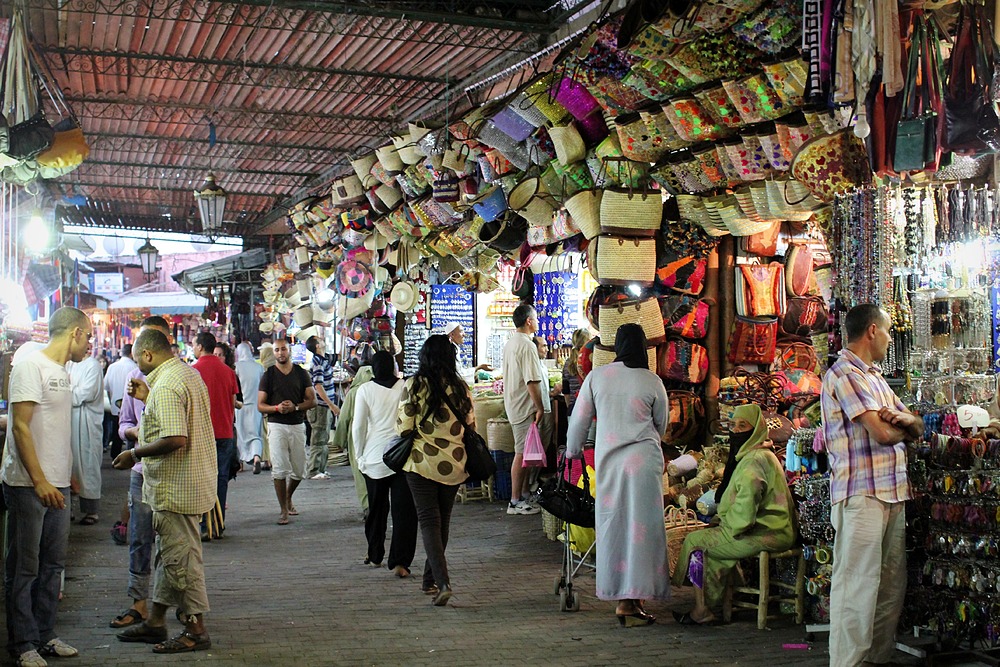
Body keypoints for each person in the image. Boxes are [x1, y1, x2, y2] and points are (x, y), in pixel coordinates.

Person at [819, 304, 922, 666]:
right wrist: (904, 428)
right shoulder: (845, 374)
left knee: (889, 587)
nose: (892, 338)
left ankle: (875, 659)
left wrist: (910, 422)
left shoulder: (876, 378)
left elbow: (918, 427)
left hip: (892, 492)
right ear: (872, 331)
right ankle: (848, 662)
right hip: (861, 494)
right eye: (889, 330)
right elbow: (880, 432)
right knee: (857, 586)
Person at [112, 328, 216, 654]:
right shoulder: (184, 373)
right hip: (188, 482)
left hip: (177, 487)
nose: (136, 368)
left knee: (181, 561)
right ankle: (156, 620)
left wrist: (135, 453)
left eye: (136, 360)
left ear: (147, 355)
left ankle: (195, 630)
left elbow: (175, 438)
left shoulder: (168, 384)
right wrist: (148, 398)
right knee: (169, 557)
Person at [2, 307, 91, 667]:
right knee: (25, 567)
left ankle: (44, 635)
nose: (89, 343)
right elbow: (21, 427)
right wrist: (38, 480)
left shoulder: (63, 372)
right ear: (75, 333)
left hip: (56, 483)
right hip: (28, 484)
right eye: (88, 336)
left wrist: (67, 474)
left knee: (53, 565)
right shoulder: (29, 365)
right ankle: (22, 644)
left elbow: (55, 428)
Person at [566, 323, 669, 626]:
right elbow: (661, 425)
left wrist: (572, 452)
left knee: (614, 525)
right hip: (644, 464)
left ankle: (623, 598)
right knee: (643, 530)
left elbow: (579, 421)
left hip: (609, 465)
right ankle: (632, 599)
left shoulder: (598, 377)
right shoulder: (652, 381)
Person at [670, 404, 797, 625]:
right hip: (770, 529)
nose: (736, 430)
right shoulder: (757, 455)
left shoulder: (754, 461)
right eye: (733, 425)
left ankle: (702, 609)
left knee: (696, 542)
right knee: (709, 545)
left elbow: (745, 512)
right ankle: (706, 607)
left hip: (766, 532)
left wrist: (727, 526)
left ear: (756, 428)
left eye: (743, 425)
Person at [396, 335, 474, 607]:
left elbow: (403, 427)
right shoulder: (461, 387)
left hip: (421, 463)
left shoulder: (415, 385)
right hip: (454, 463)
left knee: (429, 521)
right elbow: (470, 422)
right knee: (443, 521)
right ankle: (430, 579)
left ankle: (443, 582)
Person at [109, 316, 173, 631]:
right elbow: (123, 425)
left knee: (171, 540)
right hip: (141, 468)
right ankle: (139, 603)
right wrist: (134, 432)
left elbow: (174, 432)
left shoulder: (175, 377)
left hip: (172, 470)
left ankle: (170, 604)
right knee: (139, 537)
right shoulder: (134, 376)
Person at [352, 351, 417, 575]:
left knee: (376, 510)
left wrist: (359, 456)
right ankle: (400, 562)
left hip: (374, 458)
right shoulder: (406, 386)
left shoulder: (365, 390)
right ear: (393, 367)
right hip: (403, 457)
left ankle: (375, 555)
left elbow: (358, 427)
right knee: (404, 512)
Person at [257, 337, 316, 525]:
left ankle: (288, 496)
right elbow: (260, 405)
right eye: (277, 350)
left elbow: (312, 400)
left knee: (299, 470)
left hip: (297, 424)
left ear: (289, 350)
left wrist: (296, 407)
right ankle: (283, 509)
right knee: (280, 469)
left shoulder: (301, 373)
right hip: (277, 425)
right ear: (273, 353)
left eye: (283, 349)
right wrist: (277, 408)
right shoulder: (269, 375)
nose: (280, 353)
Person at [501, 305, 552, 515]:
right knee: (521, 453)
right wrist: (540, 407)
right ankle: (514, 502)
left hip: (514, 404)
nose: (538, 322)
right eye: (536, 318)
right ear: (529, 321)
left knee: (523, 452)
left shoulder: (511, 343)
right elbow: (532, 381)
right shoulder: (527, 345)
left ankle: (521, 495)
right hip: (523, 406)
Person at [191, 332, 239, 523]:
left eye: (194, 345)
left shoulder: (192, 371)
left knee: (201, 479)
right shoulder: (228, 372)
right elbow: (234, 401)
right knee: (220, 479)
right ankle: (217, 523)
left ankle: (203, 523)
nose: (193, 348)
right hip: (224, 432)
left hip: (201, 434)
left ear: (201, 347)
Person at [332, 365, 373, 518]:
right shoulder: (378, 389)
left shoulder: (354, 393)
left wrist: (339, 442)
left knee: (359, 473)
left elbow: (344, 419)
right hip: (376, 437)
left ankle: (367, 506)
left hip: (357, 438)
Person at [68, 354, 104, 525]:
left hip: (87, 423)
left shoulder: (93, 366)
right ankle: (68, 508)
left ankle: (91, 510)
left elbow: (86, 393)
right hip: (69, 421)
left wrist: (68, 391)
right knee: (70, 465)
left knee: (88, 465)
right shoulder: (69, 364)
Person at [305, 336, 341, 480]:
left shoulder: (323, 359)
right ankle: (314, 470)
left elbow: (338, 356)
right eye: (320, 339)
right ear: (317, 345)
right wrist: (331, 405)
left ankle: (321, 468)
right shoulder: (318, 362)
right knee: (318, 438)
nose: (323, 339)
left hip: (324, 406)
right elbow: (318, 386)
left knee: (323, 438)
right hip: (321, 406)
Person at [234, 342, 264, 474]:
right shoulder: (259, 367)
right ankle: (256, 458)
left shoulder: (237, 367)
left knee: (240, 435)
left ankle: (240, 463)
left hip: (240, 406)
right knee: (255, 435)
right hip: (255, 406)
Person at [104, 344, 138, 459]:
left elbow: (107, 387)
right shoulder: (134, 368)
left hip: (115, 404)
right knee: (129, 431)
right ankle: (129, 456)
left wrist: (111, 401)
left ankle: (115, 455)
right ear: (131, 353)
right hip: (130, 405)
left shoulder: (112, 367)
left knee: (116, 431)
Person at [562, 329, 590, 415]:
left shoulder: (567, 362)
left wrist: (570, 407)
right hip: (589, 408)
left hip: (573, 408)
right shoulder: (590, 360)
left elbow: (566, 391)